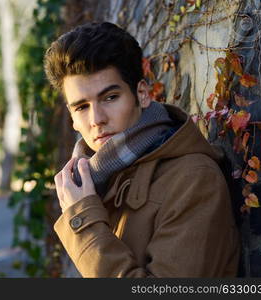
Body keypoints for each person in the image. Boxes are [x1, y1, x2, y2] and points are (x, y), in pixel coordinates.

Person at [43, 22, 240, 277]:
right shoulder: (90, 182)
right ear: (72, 117)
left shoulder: (193, 178)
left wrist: (85, 224)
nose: (97, 119)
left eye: (110, 97)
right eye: (81, 107)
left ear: (142, 94)